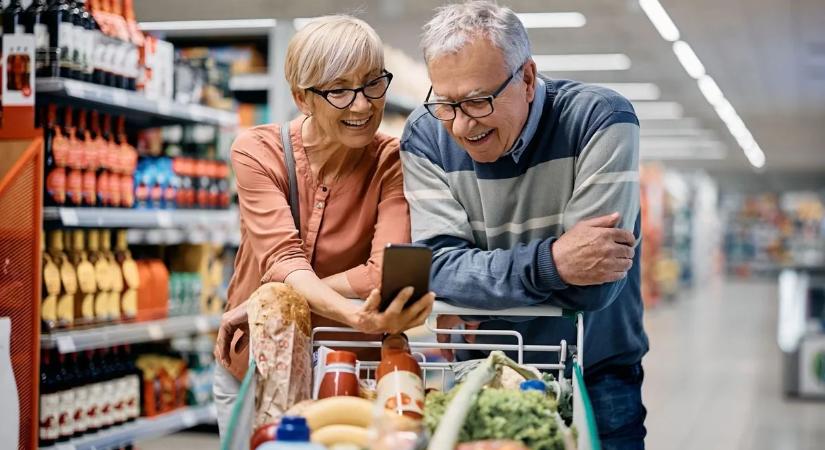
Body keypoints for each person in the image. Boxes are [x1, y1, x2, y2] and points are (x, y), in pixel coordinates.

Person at [400, 2, 648, 448]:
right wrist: (554, 262)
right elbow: (435, 268)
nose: (460, 125)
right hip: (480, 372)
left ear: (528, 79)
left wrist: (479, 289)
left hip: (595, 375)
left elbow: (594, 287)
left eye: (477, 101)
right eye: (446, 103)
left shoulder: (601, 120)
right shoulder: (425, 135)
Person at [212, 15, 435, 437]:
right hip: (258, 366)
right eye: (339, 90)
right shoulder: (258, 152)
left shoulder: (393, 161)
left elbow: (383, 271)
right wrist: (350, 311)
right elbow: (284, 260)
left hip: (351, 377)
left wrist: (268, 301)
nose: (363, 104)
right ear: (302, 98)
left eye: (373, 83)